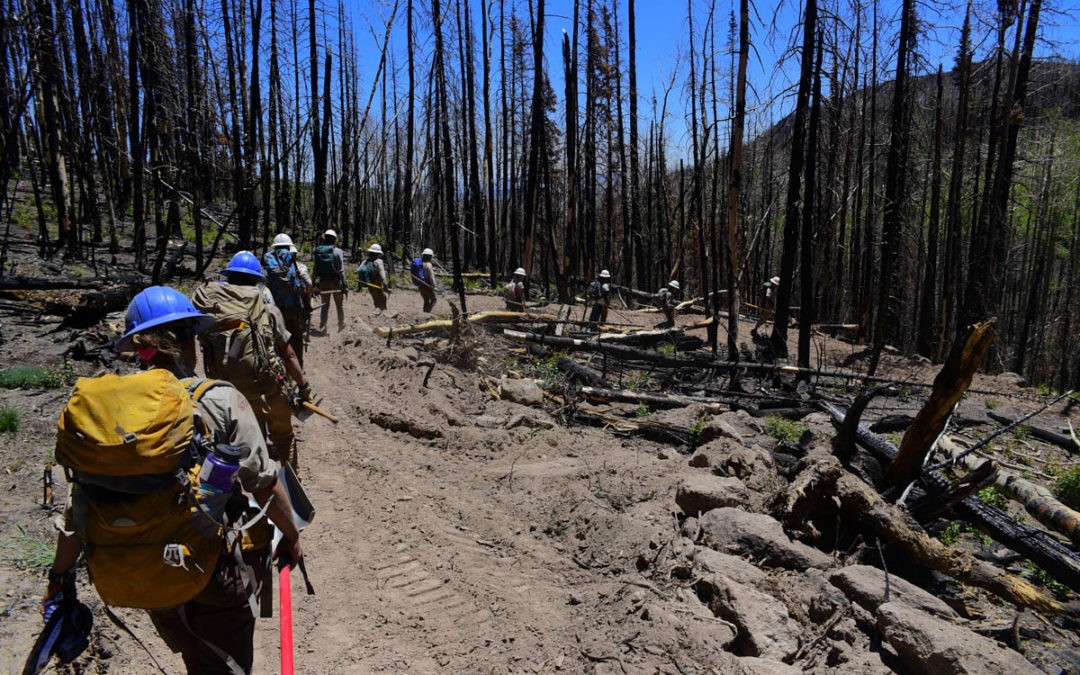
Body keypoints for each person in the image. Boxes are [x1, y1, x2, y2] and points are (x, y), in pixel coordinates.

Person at [43, 286, 303, 675]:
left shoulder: (104, 413)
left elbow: (77, 503)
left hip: (142, 569)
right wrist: (292, 535)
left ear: (136, 346)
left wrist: (59, 575)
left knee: (197, 656)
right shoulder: (219, 399)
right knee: (222, 664)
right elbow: (263, 483)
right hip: (213, 569)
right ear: (189, 341)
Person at [193, 251, 312, 471]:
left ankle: (258, 486)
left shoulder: (214, 310)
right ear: (257, 280)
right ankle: (291, 481)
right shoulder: (269, 309)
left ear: (228, 277)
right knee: (283, 437)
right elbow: (289, 355)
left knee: (250, 444)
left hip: (234, 394)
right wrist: (303, 387)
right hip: (270, 387)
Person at [262, 234, 306, 365]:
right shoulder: (291, 259)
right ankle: (299, 364)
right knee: (297, 337)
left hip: (275, 308)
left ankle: (281, 364)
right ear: (289, 245)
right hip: (293, 306)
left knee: (278, 338)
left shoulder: (268, 260)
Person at [312, 229, 347, 332]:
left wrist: (313, 283)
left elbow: (315, 269)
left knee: (325, 305)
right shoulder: (338, 251)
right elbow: (341, 270)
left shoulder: (318, 251)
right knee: (339, 305)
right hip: (336, 282)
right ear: (334, 240)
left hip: (323, 281)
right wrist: (344, 284)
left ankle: (323, 325)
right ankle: (341, 324)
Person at [358, 243, 389, 311]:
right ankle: (381, 314)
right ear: (378, 253)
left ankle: (377, 313)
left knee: (376, 300)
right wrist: (385, 285)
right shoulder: (379, 261)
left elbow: (358, 270)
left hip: (369, 284)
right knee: (383, 299)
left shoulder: (365, 261)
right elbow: (382, 276)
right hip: (377, 284)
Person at [413, 248, 439, 313]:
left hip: (420, 285)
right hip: (426, 285)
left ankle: (424, 313)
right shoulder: (429, 265)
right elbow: (431, 276)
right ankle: (428, 313)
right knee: (434, 299)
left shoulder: (420, 264)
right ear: (429, 256)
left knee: (426, 300)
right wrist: (434, 286)